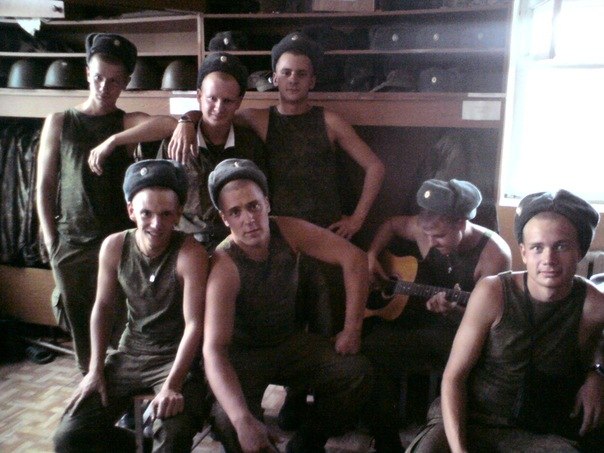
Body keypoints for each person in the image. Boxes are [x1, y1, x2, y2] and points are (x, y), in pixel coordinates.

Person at [407, 189, 604, 453]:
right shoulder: (493, 293)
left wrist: (597, 374)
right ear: (523, 252)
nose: (548, 259)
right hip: (471, 416)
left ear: (580, 251)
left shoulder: (593, 304)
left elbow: (598, 342)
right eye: (537, 248)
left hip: (536, 432)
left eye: (561, 246)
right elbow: (454, 378)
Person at [202, 158, 373, 453]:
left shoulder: (288, 230)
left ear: (267, 203)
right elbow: (214, 350)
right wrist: (242, 419)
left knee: (356, 372)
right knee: (229, 421)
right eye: (235, 212)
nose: (249, 219)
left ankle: (306, 444)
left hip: (287, 343)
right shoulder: (225, 265)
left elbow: (355, 259)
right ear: (224, 218)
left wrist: (352, 329)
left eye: (254, 206)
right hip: (243, 356)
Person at [36, 33, 178, 373]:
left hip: (117, 241)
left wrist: (114, 140)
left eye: (115, 81)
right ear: (88, 73)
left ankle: (123, 384)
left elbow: (169, 125)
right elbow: (45, 184)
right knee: (80, 323)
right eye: (99, 77)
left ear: (125, 83)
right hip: (70, 241)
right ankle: (90, 381)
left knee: (122, 320)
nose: (104, 87)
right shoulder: (60, 121)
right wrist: (51, 239)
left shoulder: (125, 122)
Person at [53, 159, 209, 452]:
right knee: (69, 436)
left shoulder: (190, 253)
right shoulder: (114, 246)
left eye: (166, 214)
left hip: (175, 357)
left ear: (178, 214)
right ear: (131, 211)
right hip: (131, 352)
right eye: (146, 213)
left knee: (173, 434)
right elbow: (103, 307)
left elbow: (194, 325)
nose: (156, 224)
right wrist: (95, 369)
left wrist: (173, 384)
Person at [362, 178, 511, 452]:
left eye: (439, 236)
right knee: (370, 347)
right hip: (421, 323)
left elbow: (491, 322)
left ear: (461, 223)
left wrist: (454, 310)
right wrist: (372, 254)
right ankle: (386, 438)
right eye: (427, 234)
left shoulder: (494, 255)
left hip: (467, 337)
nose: (430, 241)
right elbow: (391, 225)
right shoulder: (426, 230)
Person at [160, 51, 265, 251]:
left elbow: (261, 201)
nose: (218, 107)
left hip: (236, 244)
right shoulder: (174, 143)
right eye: (212, 98)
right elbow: (160, 199)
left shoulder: (251, 145)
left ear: (239, 102)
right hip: (184, 244)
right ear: (199, 96)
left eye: (228, 101)